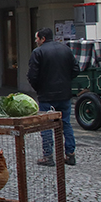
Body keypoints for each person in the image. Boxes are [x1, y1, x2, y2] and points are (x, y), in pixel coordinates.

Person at [27, 28, 80, 166]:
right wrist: (66, 82)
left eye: (37, 38)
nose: (36, 41)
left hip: (46, 95)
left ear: (43, 38)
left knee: (46, 125)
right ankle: (70, 154)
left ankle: (48, 156)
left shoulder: (38, 52)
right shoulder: (65, 49)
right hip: (64, 94)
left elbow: (32, 75)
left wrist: (38, 88)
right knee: (66, 124)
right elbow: (76, 69)